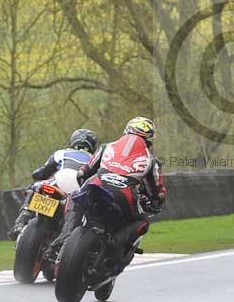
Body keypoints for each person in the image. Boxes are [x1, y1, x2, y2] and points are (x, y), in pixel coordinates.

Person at [48, 117, 166, 272]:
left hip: (95, 185)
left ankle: (65, 234)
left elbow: (83, 172)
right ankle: (115, 254)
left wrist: (88, 182)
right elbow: (157, 192)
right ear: (149, 139)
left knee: (74, 196)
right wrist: (155, 203)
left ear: (126, 131)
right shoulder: (151, 161)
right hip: (124, 195)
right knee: (143, 221)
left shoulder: (106, 147)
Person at [7, 128, 98, 240]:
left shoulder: (60, 153)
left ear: (73, 140)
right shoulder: (95, 158)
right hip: (78, 189)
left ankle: (21, 222)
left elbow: (42, 172)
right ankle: (67, 237)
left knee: (34, 187)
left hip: (58, 183)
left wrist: (37, 175)